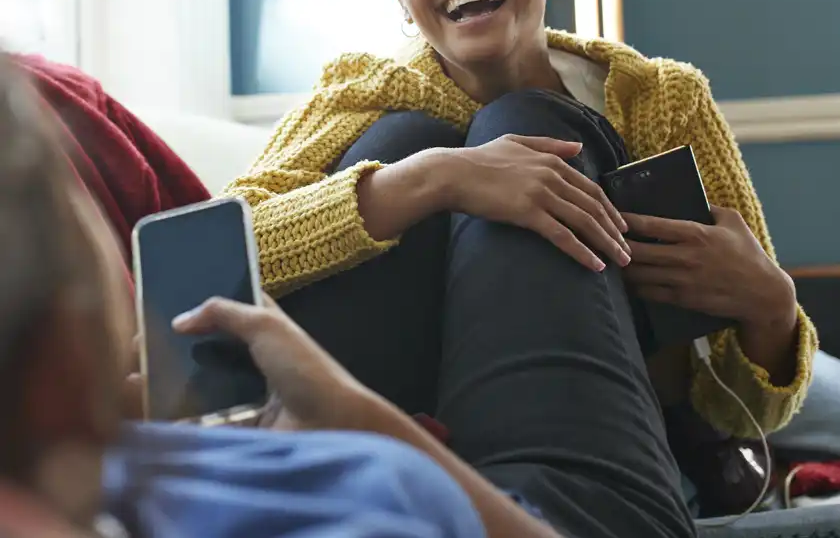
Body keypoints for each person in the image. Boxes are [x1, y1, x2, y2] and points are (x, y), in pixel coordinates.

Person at [224, 0, 817, 535]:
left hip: (610, 441)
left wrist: (772, 311)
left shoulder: (660, 101)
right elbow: (218, 254)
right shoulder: (360, 93)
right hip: (395, 413)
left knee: (520, 120)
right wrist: (431, 179)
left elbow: (747, 409)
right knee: (410, 140)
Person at [0, 51, 586, 538]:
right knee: (514, 120)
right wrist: (357, 414)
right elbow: (233, 242)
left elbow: (210, 244)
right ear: (64, 350)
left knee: (441, 132)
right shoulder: (361, 493)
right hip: (534, 499)